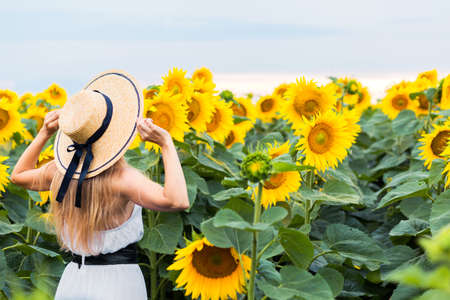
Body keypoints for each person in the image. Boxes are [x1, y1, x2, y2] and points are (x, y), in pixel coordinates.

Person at [10, 70, 190, 300]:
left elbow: (18, 175)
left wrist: (44, 133)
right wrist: (166, 144)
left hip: (73, 279)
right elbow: (178, 200)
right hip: (119, 284)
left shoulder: (61, 171)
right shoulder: (122, 178)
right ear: (116, 130)